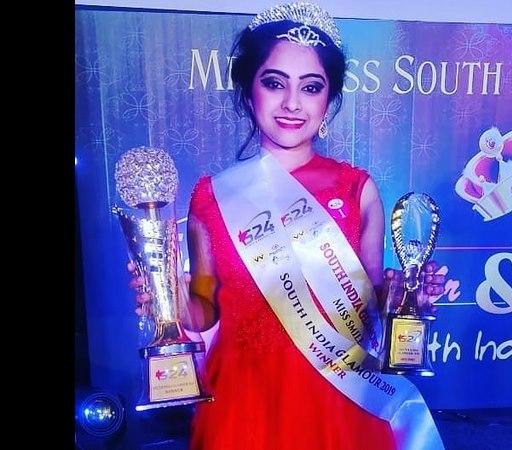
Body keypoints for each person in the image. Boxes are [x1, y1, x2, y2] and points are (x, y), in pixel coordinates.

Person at [129, 2, 446, 449]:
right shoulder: (212, 197)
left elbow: (371, 307)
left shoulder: (357, 190)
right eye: (274, 83)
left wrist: (406, 298)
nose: (292, 103)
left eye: (311, 87)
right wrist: (173, 301)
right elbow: (206, 309)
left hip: (340, 395)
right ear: (249, 91)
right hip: (243, 399)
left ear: (328, 100)